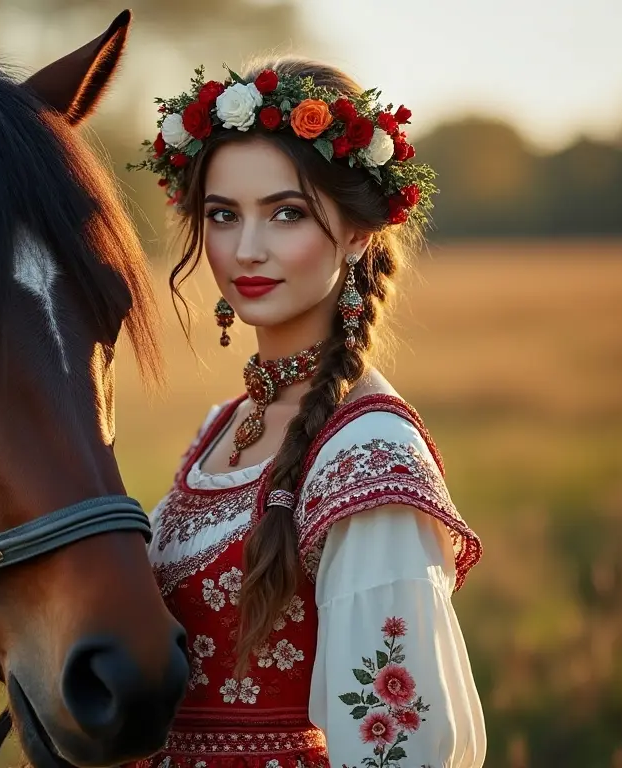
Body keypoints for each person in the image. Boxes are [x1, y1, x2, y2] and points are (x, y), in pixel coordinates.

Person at [126, 57, 486, 768]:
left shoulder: (370, 453)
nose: (247, 249)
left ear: (358, 233)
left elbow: (399, 746)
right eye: (223, 215)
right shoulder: (219, 429)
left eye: (286, 213)